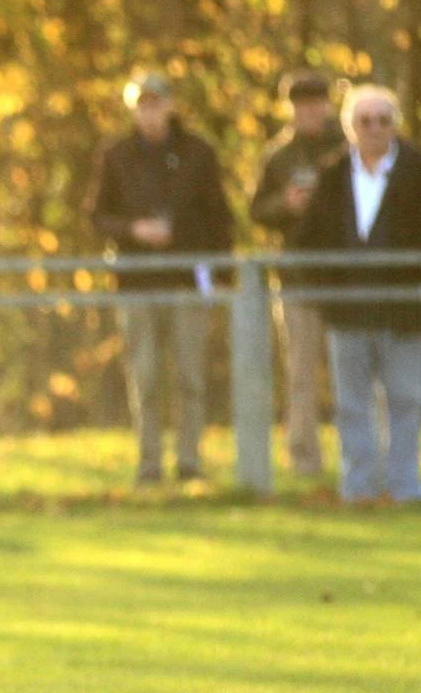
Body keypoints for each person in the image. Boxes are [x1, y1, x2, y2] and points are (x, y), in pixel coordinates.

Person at [295, 84, 421, 504]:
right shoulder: (332, 176)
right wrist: (326, 292)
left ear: (396, 125)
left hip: (403, 312)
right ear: (350, 127)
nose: (375, 128)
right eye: (366, 120)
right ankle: (358, 486)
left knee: (405, 399)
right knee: (351, 405)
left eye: (384, 120)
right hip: (348, 312)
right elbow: (308, 241)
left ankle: (405, 487)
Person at [87, 70, 234, 484]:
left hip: (189, 280)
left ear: (170, 105)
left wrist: (223, 275)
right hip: (136, 283)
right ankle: (148, 466)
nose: (150, 111)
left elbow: (220, 218)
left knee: (190, 377)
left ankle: (190, 463)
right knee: (146, 378)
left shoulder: (199, 153)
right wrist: (135, 230)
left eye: (156, 102)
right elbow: (97, 216)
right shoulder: (115, 154)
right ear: (133, 108)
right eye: (142, 104)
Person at [251, 71, 346, 478]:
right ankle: (305, 462)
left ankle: (358, 459)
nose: (309, 110)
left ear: (328, 104)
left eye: (316, 101)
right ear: (290, 108)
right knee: (301, 375)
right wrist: (286, 204)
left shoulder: (349, 148)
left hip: (347, 280)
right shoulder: (278, 156)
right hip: (297, 279)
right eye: (301, 103)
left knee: (354, 376)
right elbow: (257, 211)